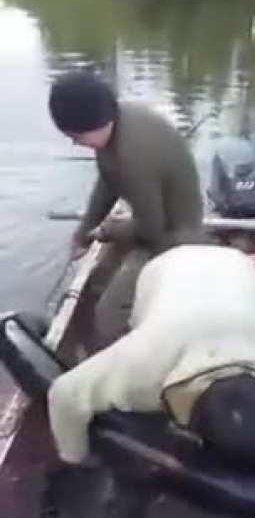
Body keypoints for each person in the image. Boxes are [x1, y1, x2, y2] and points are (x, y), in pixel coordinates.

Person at [48, 244, 255, 472]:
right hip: (168, 267)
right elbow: (63, 392)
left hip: (241, 269)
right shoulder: (142, 365)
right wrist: (78, 459)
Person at [49, 70, 203, 348]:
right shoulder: (114, 123)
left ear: (94, 123)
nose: (74, 143)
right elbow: (107, 183)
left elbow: (151, 229)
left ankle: (124, 361)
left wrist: (108, 231)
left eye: (76, 136)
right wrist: (83, 233)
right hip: (150, 221)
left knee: (108, 315)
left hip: (174, 238)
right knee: (96, 284)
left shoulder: (134, 155)